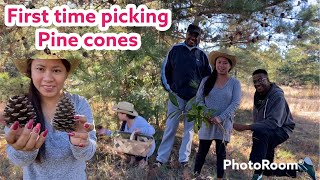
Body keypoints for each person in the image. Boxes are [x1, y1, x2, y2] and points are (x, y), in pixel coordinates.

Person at [1, 50, 97, 179]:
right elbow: (18, 161)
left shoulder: (79, 104)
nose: (48, 78)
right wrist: (24, 150)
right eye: (40, 69)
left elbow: (87, 154)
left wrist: (81, 144)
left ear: (66, 73)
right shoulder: (20, 107)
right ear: (30, 72)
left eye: (56, 70)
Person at [233, 69, 317, 180]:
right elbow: (258, 116)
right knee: (267, 170)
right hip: (267, 130)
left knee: (259, 136)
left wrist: (247, 127)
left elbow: (274, 122)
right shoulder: (258, 94)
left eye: (260, 80)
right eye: (255, 81)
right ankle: (303, 167)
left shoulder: (277, 96)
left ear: (267, 79)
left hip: (282, 129)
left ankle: (257, 173)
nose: (257, 83)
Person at [155, 24, 212, 168]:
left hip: (194, 99)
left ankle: (183, 160)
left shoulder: (202, 55)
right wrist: (170, 90)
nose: (192, 37)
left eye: (196, 35)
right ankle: (161, 159)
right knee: (171, 127)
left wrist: (201, 96)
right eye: (190, 34)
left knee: (189, 130)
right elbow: (165, 71)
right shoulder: (175, 50)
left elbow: (208, 78)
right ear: (186, 34)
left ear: (199, 38)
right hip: (176, 96)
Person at [193, 49, 241, 179]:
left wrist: (220, 117)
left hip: (224, 124)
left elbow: (235, 103)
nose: (222, 65)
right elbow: (199, 100)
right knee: (202, 151)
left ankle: (220, 177)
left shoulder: (234, 83)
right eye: (219, 62)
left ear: (230, 66)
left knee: (221, 153)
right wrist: (206, 113)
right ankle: (195, 175)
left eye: (225, 63)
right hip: (207, 122)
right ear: (215, 64)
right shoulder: (206, 80)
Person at [109, 101, 156, 168]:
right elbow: (119, 135)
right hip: (136, 145)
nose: (118, 114)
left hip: (147, 146)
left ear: (124, 114)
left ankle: (143, 160)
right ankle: (133, 158)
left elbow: (153, 130)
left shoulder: (139, 120)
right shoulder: (124, 124)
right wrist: (106, 132)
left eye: (118, 113)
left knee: (135, 139)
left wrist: (141, 130)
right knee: (123, 140)